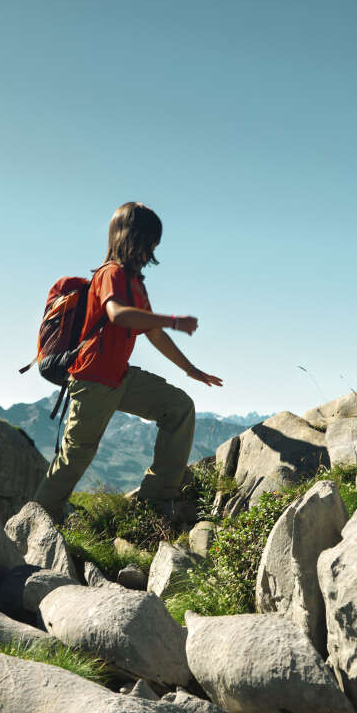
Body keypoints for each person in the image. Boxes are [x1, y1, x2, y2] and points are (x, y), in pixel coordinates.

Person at [32, 202, 222, 524]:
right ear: (134, 238)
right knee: (75, 457)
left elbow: (153, 333)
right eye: (151, 242)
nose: (153, 250)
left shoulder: (136, 283)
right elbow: (117, 314)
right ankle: (35, 522)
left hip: (120, 377)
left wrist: (190, 370)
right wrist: (174, 319)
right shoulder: (111, 274)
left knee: (178, 408)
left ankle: (157, 495)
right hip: (92, 379)